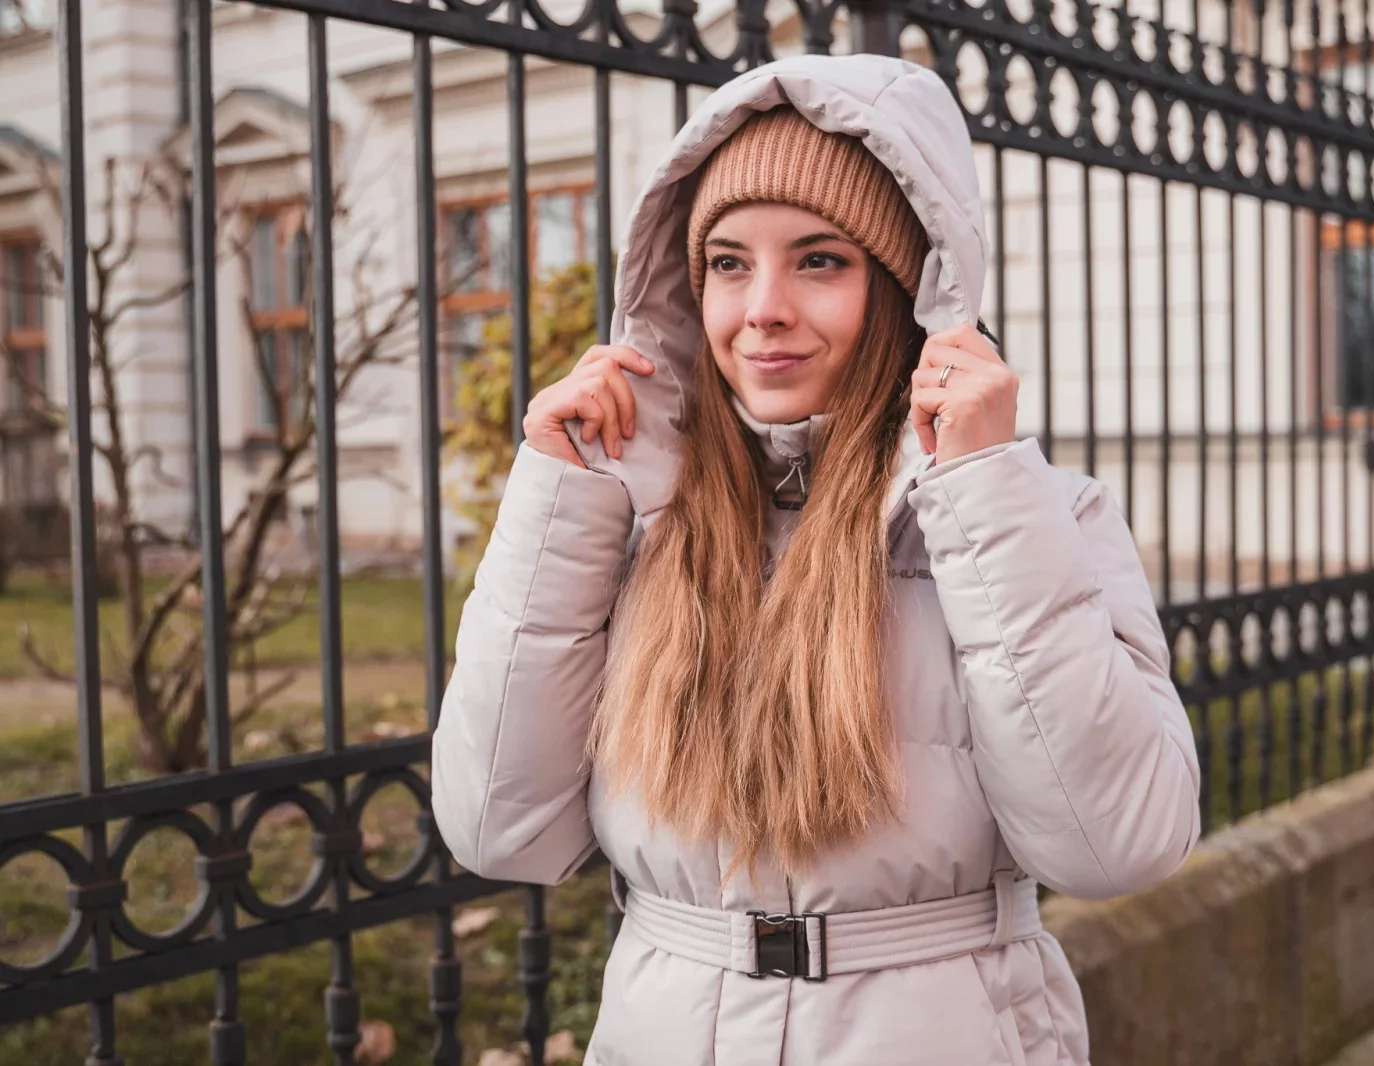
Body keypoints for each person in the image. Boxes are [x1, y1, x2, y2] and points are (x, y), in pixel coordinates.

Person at [431, 52, 1201, 1066]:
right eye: (728, 263)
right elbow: (499, 829)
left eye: (820, 260)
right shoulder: (632, 521)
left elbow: (1118, 844)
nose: (762, 308)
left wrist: (982, 488)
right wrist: (558, 499)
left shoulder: (1032, 515)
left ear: (904, 288)